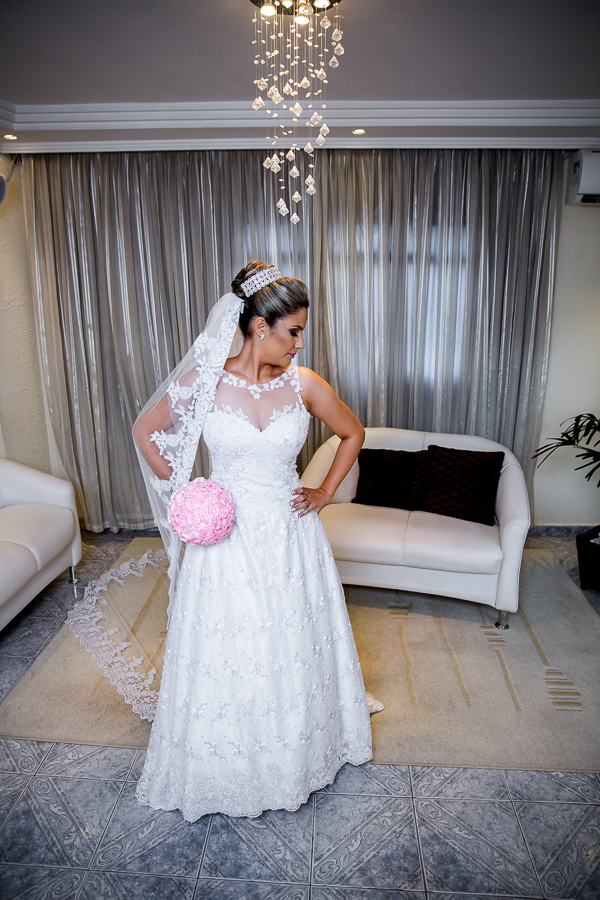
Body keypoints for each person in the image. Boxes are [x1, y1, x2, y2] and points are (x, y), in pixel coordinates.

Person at [132, 261, 374, 821]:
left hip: (290, 535)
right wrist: (187, 491)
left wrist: (322, 491)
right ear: (260, 327)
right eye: (294, 331)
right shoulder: (206, 380)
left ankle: (297, 746)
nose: (299, 342)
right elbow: (147, 432)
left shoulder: (305, 384)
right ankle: (230, 754)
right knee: (232, 641)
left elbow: (352, 432)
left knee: (289, 636)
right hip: (226, 539)